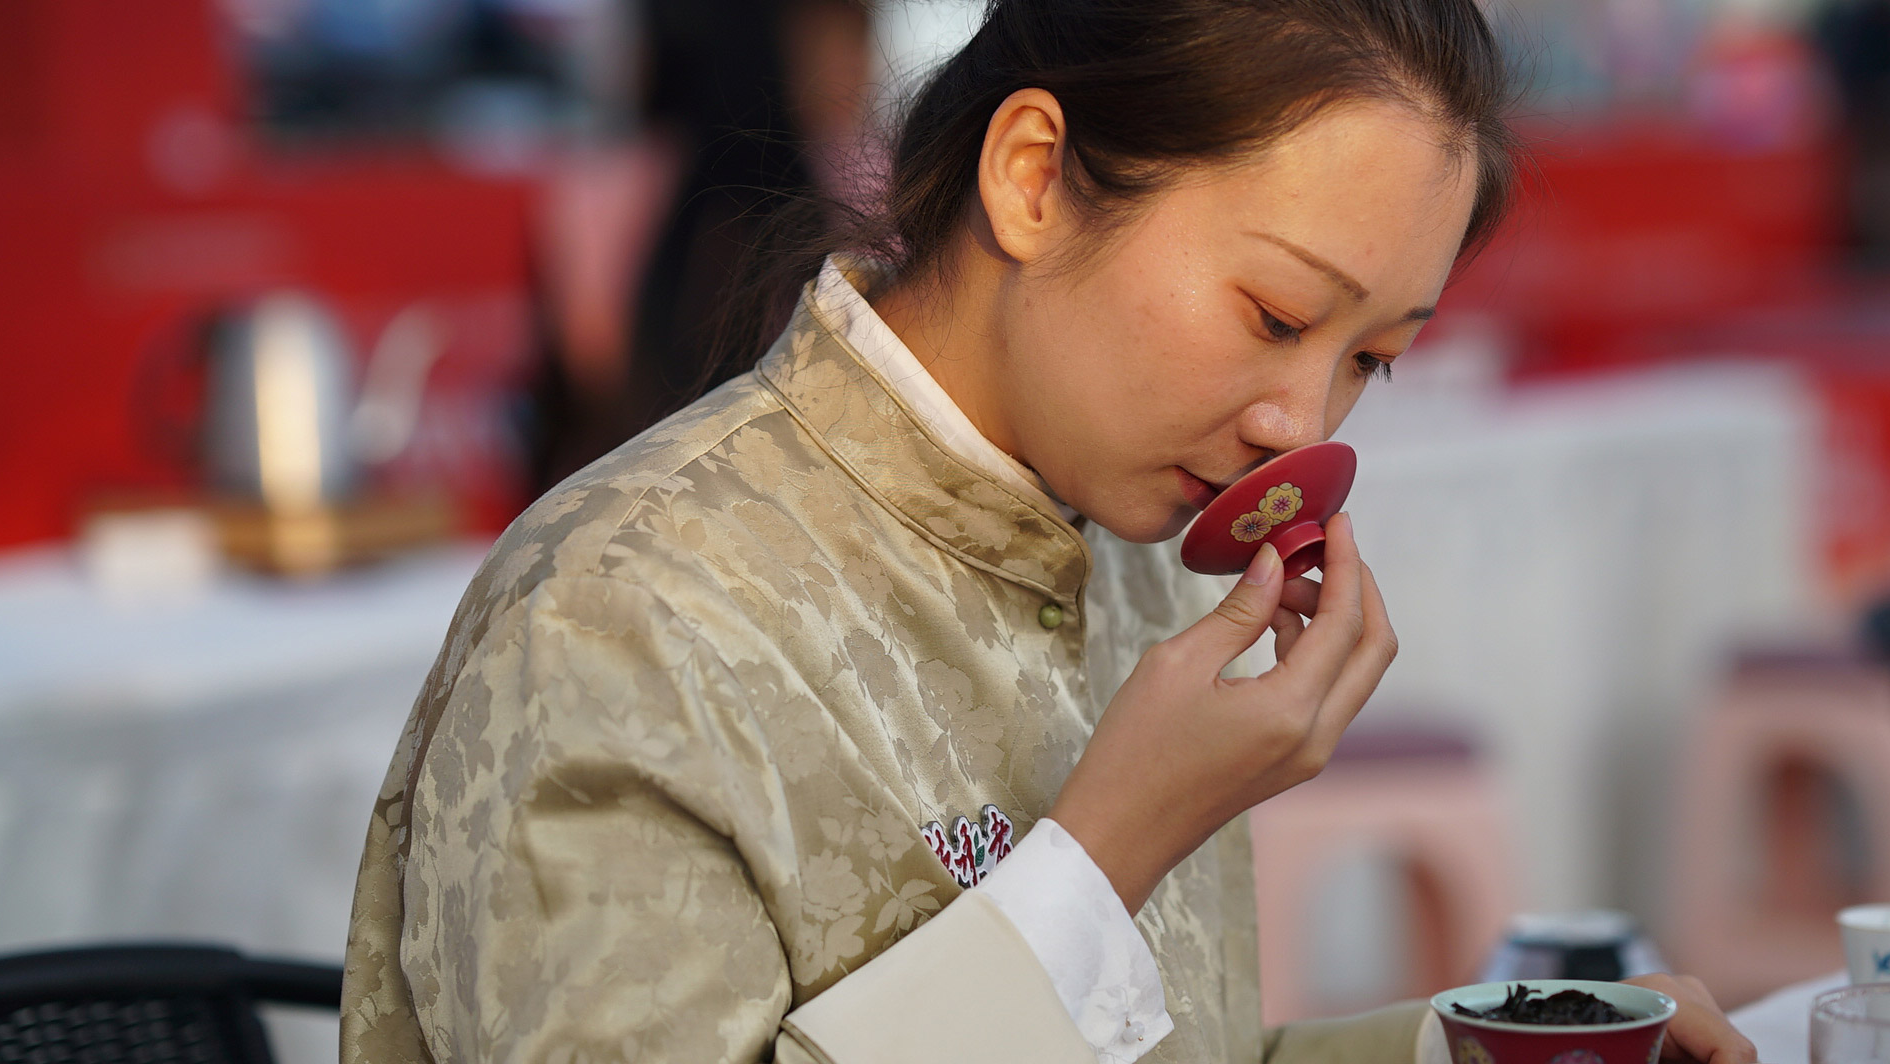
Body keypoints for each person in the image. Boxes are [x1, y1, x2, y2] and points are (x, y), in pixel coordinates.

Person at [341, 1, 1762, 1061]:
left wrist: (1484, 1050)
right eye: (1276, 316)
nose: (1301, 421)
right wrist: (1108, 850)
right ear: (1031, 177)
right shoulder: (628, 609)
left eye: (1368, 359)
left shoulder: (1128, 554)